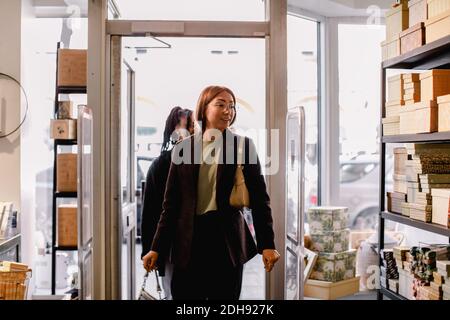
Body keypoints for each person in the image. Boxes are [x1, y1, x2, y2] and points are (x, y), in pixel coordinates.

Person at [142, 86, 280, 300]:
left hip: (226, 242)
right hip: (188, 242)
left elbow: (261, 200)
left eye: (232, 106)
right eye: (221, 104)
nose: (228, 111)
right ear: (204, 108)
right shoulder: (183, 149)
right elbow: (170, 206)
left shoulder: (243, 146)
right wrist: (155, 248)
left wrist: (267, 245)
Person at [140, 106, 194, 300]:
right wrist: (149, 250)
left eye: (188, 126)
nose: (183, 134)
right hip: (171, 245)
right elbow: (150, 213)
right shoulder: (160, 165)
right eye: (179, 127)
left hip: (198, 244)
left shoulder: (205, 163)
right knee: (173, 292)